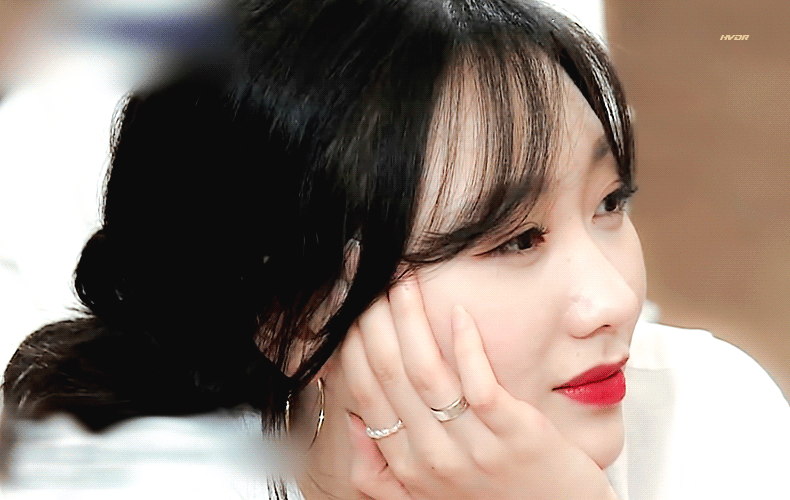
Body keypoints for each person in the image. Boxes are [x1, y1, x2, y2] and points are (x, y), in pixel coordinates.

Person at [2, 0, 789, 498]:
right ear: (288, 315)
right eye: (516, 239)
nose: (615, 300)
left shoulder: (709, 414)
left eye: (610, 203)